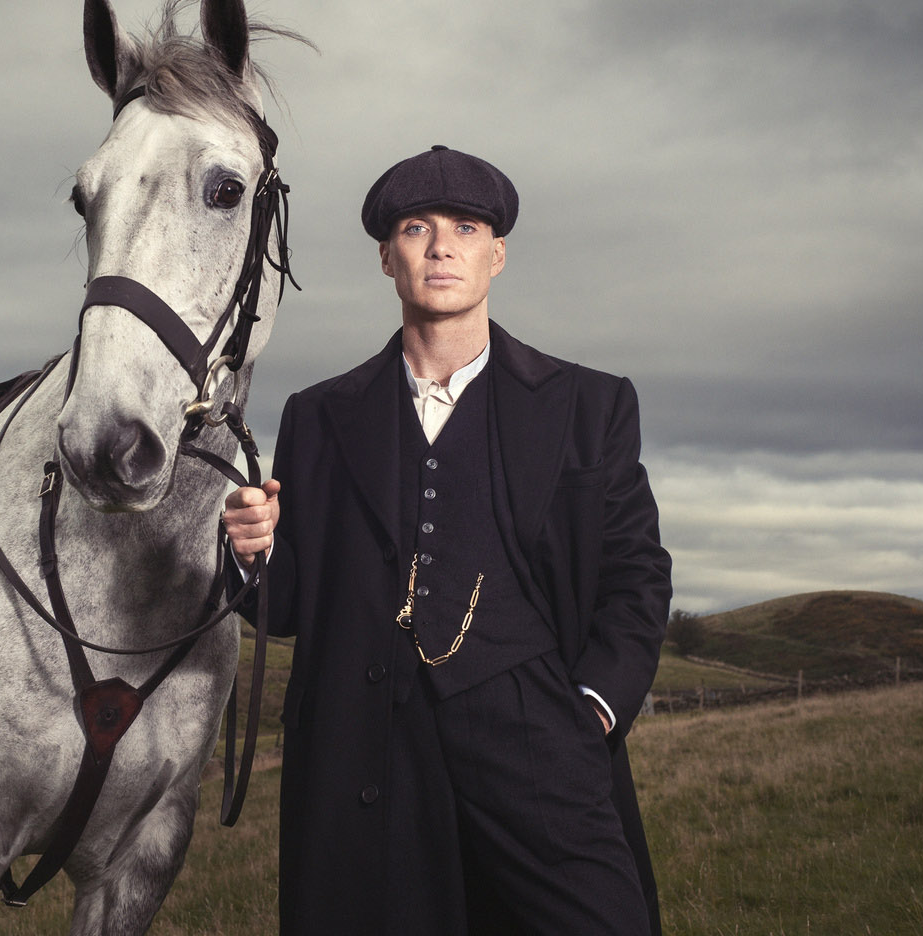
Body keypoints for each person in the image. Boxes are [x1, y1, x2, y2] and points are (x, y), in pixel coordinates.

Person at [224, 145, 671, 935]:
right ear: (387, 259)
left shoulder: (589, 405)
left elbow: (636, 575)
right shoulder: (318, 416)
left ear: (496, 254)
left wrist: (593, 712)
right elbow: (286, 605)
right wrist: (250, 549)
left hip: (541, 738)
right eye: (415, 228)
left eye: (465, 228)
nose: (440, 247)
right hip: (368, 751)